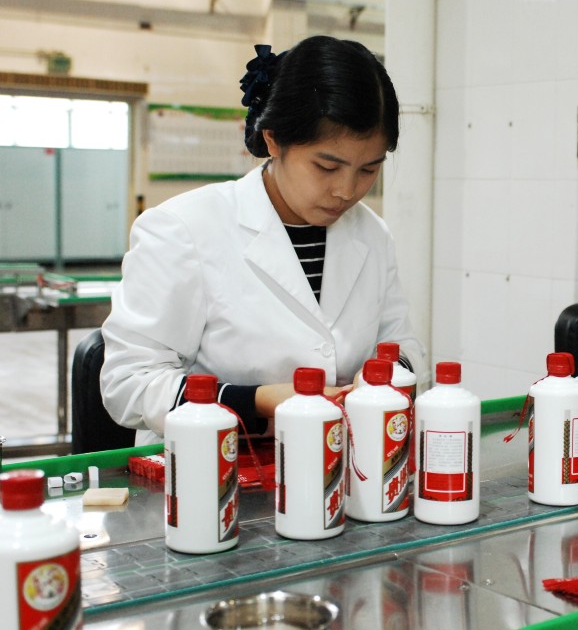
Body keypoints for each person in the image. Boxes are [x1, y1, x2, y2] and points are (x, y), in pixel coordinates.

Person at [101, 37, 426, 445]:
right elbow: (129, 383)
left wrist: (382, 378)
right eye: (327, 167)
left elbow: (403, 346)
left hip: (335, 460)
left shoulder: (371, 234)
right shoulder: (183, 229)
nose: (346, 191)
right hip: (213, 463)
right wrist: (257, 402)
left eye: (368, 170)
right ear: (273, 140)